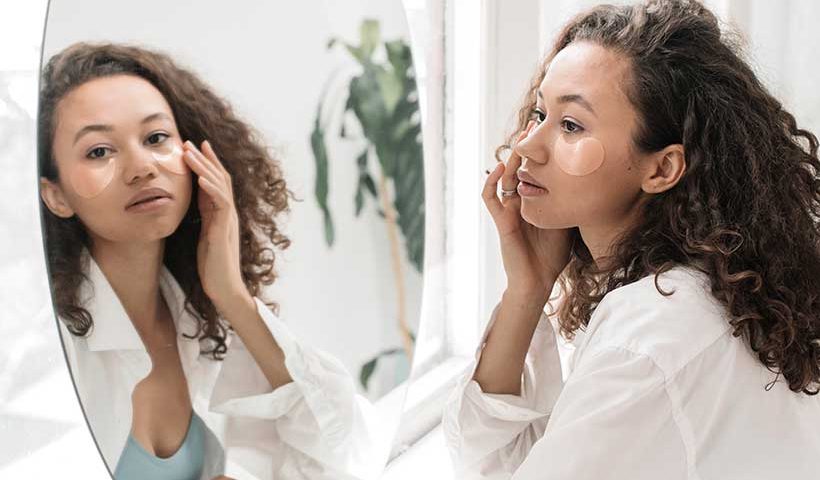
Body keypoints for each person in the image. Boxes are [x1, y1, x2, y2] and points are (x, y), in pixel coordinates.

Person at [443, 0, 820, 478]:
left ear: (662, 168)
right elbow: (509, 461)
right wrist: (527, 292)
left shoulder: (650, 335)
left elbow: (488, 468)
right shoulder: (698, 293)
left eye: (571, 125)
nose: (525, 146)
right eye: (540, 113)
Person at [38, 42, 378, 480]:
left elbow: (344, 452)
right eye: (99, 151)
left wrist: (234, 296)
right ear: (57, 195)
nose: (141, 167)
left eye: (156, 138)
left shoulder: (202, 317)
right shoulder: (48, 348)